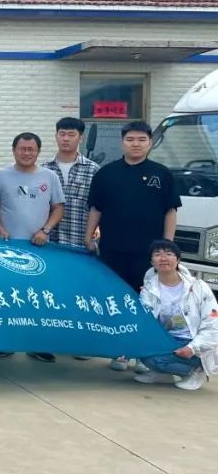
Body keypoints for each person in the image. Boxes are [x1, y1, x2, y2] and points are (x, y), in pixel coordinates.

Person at [87, 121, 181, 372]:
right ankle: (120, 351)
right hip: (113, 249)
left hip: (148, 252)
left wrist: (167, 245)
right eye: (130, 139)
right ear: (122, 142)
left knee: (148, 302)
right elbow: (96, 209)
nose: (135, 144)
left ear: (150, 143)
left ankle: (144, 354)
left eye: (141, 139)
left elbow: (170, 211)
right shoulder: (106, 173)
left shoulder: (162, 174)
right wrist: (88, 237)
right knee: (118, 299)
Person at [0, 132, 65, 362]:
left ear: (38, 152)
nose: (27, 153)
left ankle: (36, 344)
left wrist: (45, 230)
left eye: (31, 149)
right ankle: (4, 343)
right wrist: (0, 229)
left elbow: (58, 208)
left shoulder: (49, 176)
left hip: (39, 248)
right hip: (6, 249)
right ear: (14, 150)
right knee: (7, 296)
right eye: (22, 148)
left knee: (37, 298)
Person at [135, 240, 216, 390]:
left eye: (169, 254)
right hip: (167, 340)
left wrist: (192, 348)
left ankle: (196, 371)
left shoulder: (198, 287)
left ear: (178, 260)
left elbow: (213, 324)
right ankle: (162, 373)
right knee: (144, 356)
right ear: (152, 262)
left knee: (156, 359)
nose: (163, 258)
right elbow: (145, 322)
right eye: (157, 254)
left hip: (193, 342)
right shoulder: (148, 290)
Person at [41, 117, 101, 249]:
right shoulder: (44, 169)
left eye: (71, 135)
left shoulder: (93, 170)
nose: (66, 139)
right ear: (56, 137)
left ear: (81, 138)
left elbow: (98, 207)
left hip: (80, 242)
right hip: (48, 242)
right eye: (62, 134)